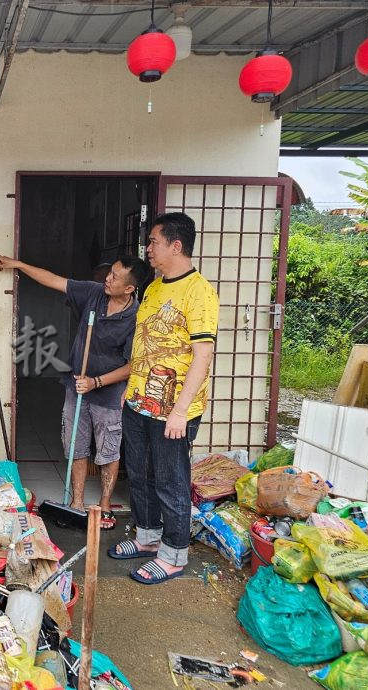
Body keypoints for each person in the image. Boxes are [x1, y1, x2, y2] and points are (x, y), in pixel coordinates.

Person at [0, 250, 150, 528]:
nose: (107, 278)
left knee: (108, 451)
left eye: (115, 276)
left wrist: (96, 382)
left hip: (108, 394)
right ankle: (76, 504)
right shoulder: (94, 294)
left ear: (129, 287)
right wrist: (18, 263)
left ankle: (105, 507)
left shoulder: (137, 318)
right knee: (76, 446)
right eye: (109, 272)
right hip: (77, 386)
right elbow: (53, 280)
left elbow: (133, 366)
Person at [108, 212, 219, 585]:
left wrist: (181, 412)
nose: (147, 249)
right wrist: (129, 387)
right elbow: (145, 344)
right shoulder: (154, 288)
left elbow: (202, 356)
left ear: (176, 245)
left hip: (174, 411)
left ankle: (173, 555)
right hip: (140, 401)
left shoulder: (199, 292)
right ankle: (147, 538)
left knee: (170, 482)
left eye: (153, 241)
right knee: (139, 475)